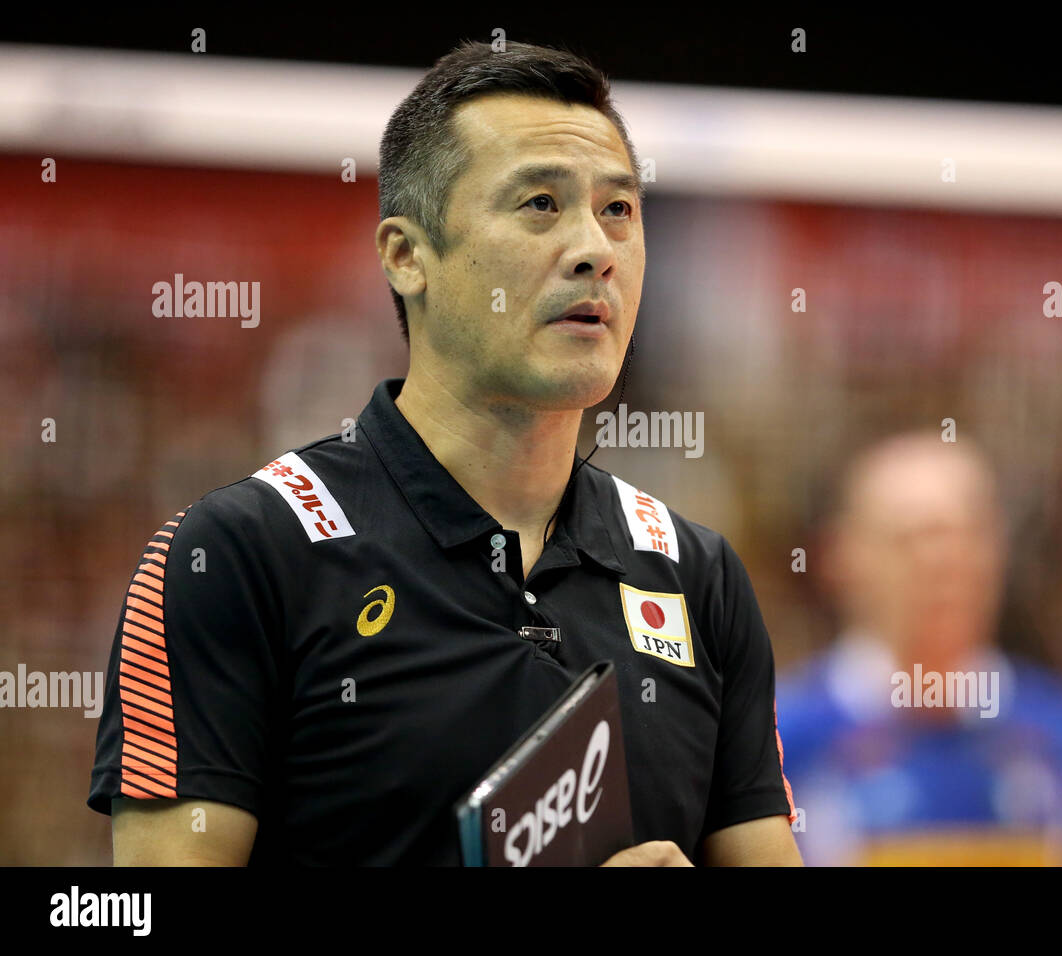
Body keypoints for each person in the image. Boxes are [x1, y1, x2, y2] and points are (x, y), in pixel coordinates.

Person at [87, 39, 801, 866]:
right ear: (406, 256)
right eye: (539, 203)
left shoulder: (697, 576)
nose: (594, 249)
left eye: (619, 211)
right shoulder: (236, 556)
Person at [777, 432, 1062, 865]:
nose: (944, 563)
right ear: (843, 558)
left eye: (968, 534)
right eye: (912, 538)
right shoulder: (780, 738)